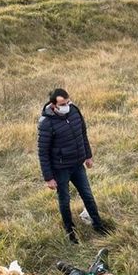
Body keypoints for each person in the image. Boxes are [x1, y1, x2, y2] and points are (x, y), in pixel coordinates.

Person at [38, 88, 109, 244]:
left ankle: (98, 225)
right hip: (61, 169)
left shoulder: (74, 111)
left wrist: (88, 156)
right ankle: (70, 233)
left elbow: (82, 134)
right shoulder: (46, 123)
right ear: (53, 105)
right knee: (65, 201)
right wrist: (48, 178)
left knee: (88, 196)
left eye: (68, 102)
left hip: (77, 165)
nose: (67, 106)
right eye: (63, 104)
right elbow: (43, 152)